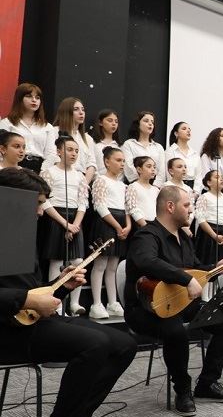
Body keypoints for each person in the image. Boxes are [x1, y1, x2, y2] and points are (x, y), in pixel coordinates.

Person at [0, 167, 136, 417]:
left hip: (29, 322)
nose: (41, 212)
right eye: (37, 204)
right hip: (6, 332)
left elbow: (34, 295)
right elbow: (24, 298)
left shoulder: (20, 236)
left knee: (124, 344)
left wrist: (61, 286)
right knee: (95, 343)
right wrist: (27, 299)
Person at [124, 186, 223, 416]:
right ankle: (183, 390)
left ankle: (207, 383)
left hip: (181, 303)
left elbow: (195, 270)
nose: (190, 210)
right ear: (170, 206)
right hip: (146, 310)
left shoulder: (184, 237)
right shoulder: (146, 235)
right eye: (186, 205)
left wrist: (215, 268)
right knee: (175, 331)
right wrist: (186, 279)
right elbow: (147, 261)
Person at [40, 136, 88, 315]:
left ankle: (75, 303)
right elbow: (45, 201)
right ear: (59, 151)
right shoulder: (49, 172)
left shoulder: (79, 176)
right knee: (57, 260)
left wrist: (75, 224)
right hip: (56, 217)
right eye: (69, 149)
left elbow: (83, 202)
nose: (73, 153)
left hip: (75, 219)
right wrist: (64, 224)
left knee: (78, 261)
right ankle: (56, 304)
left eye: (76, 150)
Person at [89, 147, 130, 319]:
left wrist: (127, 226)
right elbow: (100, 206)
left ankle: (112, 302)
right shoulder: (101, 180)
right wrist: (117, 226)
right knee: (100, 265)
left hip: (121, 224)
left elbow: (127, 208)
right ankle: (96, 303)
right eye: (118, 160)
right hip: (106, 223)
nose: (122, 164)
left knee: (113, 266)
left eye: (123, 161)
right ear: (107, 161)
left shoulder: (123, 185)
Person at [0, 83, 57, 173]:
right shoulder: (7, 123)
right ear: (19, 99)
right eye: (29, 96)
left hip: (39, 168)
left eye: (37, 98)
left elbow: (51, 154)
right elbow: (2, 149)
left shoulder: (47, 127)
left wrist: (42, 172)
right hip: (13, 167)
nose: (34, 100)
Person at [52, 97, 97, 185]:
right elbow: (52, 156)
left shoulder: (88, 139)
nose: (81, 112)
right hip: (60, 178)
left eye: (83, 110)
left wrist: (84, 185)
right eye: (76, 109)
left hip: (81, 180)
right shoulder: (54, 131)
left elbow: (91, 164)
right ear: (66, 112)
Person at [194, 170, 223, 264]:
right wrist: (214, 236)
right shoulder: (204, 197)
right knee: (207, 261)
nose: (221, 179)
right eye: (217, 177)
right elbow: (201, 219)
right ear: (209, 182)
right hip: (208, 233)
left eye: (222, 178)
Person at [121, 111, 165, 187]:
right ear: (138, 124)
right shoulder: (129, 144)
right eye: (146, 121)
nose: (150, 124)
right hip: (135, 185)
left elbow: (161, 171)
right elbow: (128, 166)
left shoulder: (158, 147)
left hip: (154, 186)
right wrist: (140, 183)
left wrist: (155, 186)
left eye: (152, 122)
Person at [198, 127, 223, 196]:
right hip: (212, 190)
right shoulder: (206, 156)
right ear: (214, 139)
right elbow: (205, 176)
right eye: (222, 136)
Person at [125, 156, 159, 230]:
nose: (153, 169)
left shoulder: (156, 190)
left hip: (155, 225)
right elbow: (132, 208)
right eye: (149, 166)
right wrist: (145, 226)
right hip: (140, 225)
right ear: (139, 169)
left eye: (154, 167)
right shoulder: (133, 187)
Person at [165, 121, 200, 189]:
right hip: (175, 187)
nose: (188, 131)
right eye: (184, 129)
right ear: (176, 133)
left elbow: (199, 175)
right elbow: (168, 174)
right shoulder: (170, 151)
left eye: (189, 129)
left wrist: (196, 191)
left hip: (192, 188)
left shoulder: (194, 153)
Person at [90, 109, 120, 176]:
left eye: (116, 121)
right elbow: (91, 164)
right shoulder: (93, 143)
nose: (114, 124)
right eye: (110, 120)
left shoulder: (119, 146)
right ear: (100, 122)